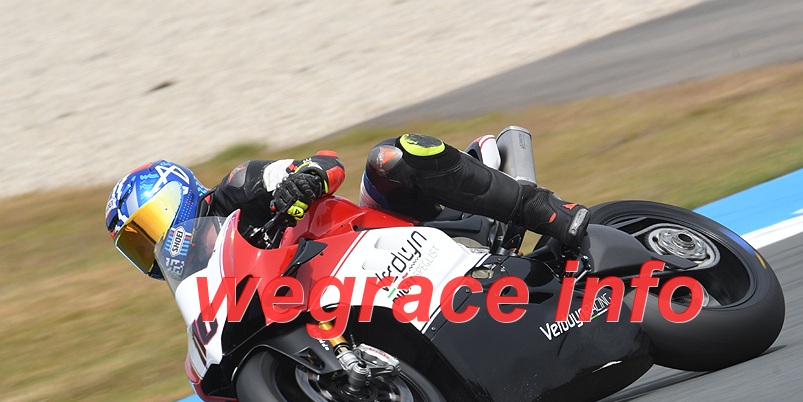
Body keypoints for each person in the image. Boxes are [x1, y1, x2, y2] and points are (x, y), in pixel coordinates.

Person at [105, 133, 590, 279]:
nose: (151, 247)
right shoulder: (209, 284)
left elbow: (326, 162)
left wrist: (305, 179)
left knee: (389, 157)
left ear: (177, 196)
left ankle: (543, 209)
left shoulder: (237, 188)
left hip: (381, 234)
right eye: (136, 246)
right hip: (347, 291)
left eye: (147, 228)